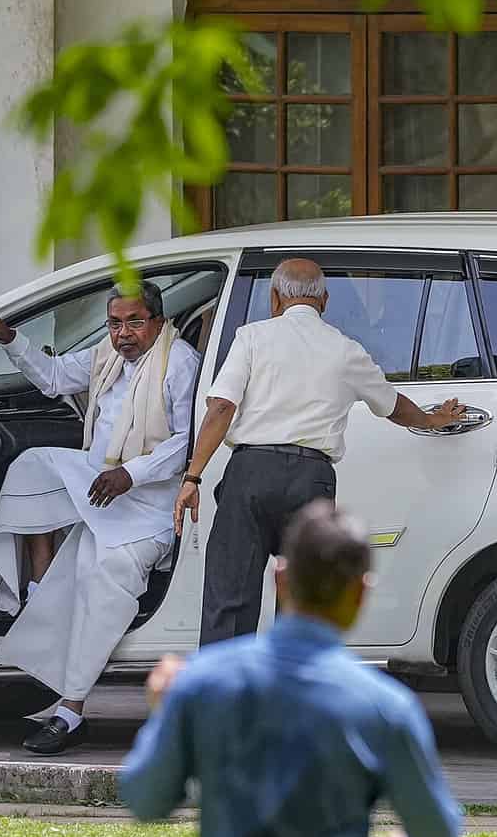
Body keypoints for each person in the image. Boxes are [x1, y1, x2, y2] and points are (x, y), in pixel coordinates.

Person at [121, 500, 463, 837]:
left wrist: (161, 712)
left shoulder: (202, 683)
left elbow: (145, 798)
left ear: (279, 577)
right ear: (361, 593)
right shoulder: (384, 706)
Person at [174, 257, 463, 646]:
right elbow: (393, 405)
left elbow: (222, 407)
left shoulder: (252, 337)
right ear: (324, 300)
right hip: (311, 479)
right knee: (301, 599)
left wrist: (192, 476)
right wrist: (433, 420)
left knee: (229, 596)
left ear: (275, 298)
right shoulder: (345, 349)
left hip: (250, 473)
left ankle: (224, 696)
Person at [0, 282, 199, 755]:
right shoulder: (105, 355)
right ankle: (28, 589)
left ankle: (69, 711)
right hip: (100, 483)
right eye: (115, 323)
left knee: (102, 575)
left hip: (148, 503)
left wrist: (131, 476)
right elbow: (53, 377)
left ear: (157, 321)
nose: (124, 334)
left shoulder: (180, 362)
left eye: (134, 322)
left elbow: (186, 442)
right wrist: (8, 337)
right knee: (32, 466)